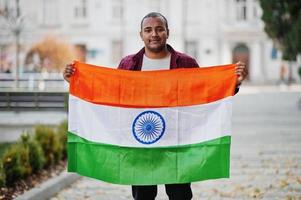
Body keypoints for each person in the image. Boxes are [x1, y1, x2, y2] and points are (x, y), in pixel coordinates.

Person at [63, 12, 248, 200]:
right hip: (140, 144)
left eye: (160, 29)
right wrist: (76, 81)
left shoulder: (185, 63)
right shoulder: (129, 64)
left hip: (177, 144)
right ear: (141, 34)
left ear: (167, 32)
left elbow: (205, 94)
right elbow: (111, 96)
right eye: (148, 30)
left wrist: (234, 83)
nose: (154, 34)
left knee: (180, 195)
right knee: (143, 196)